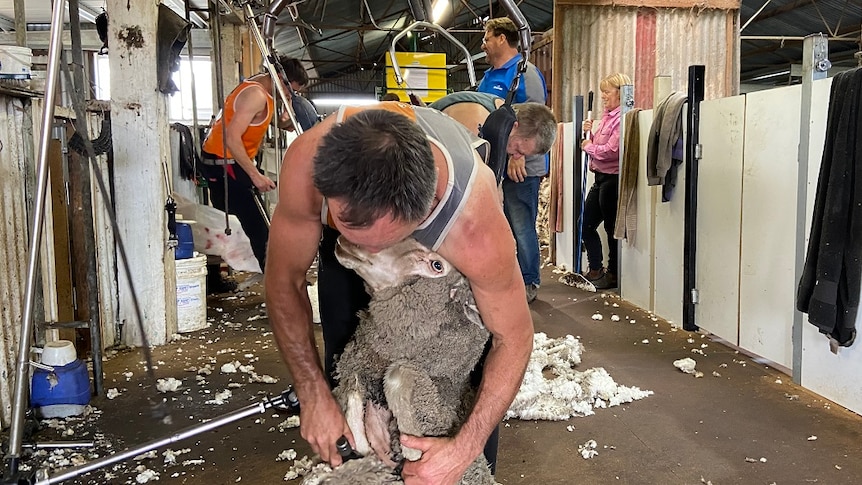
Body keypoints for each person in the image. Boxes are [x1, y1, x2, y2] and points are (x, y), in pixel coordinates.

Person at [264, 102, 534, 484]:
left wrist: (462, 451)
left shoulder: (473, 226)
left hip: (438, 266)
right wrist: (311, 393)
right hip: (345, 244)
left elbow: (515, 336)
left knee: (458, 403)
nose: (370, 250)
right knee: (348, 371)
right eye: (353, 231)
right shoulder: (307, 166)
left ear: (425, 212)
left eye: (382, 241)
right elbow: (283, 281)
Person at [200, 56, 309, 290]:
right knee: (257, 226)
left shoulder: (261, 89)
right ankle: (279, 287)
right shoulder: (256, 95)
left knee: (244, 223)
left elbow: (255, 123)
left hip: (228, 161)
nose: (290, 96)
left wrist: (283, 122)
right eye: (291, 90)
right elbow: (231, 138)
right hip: (224, 163)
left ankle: (217, 277)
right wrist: (255, 175)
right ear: (281, 79)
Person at [477, 17, 549, 304]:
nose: (483, 44)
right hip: (494, 164)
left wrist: (517, 154)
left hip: (520, 165)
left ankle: (529, 282)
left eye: (487, 38)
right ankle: (507, 278)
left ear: (502, 39)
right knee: (500, 225)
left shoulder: (524, 73)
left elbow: (535, 119)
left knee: (521, 225)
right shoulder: (488, 76)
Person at [580, 73, 632, 290]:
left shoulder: (622, 118)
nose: (603, 96)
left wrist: (588, 146)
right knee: (585, 224)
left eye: (607, 92)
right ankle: (596, 268)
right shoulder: (608, 117)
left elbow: (613, 150)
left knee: (612, 228)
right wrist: (589, 131)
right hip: (600, 178)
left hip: (612, 179)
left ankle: (612, 273)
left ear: (620, 93)